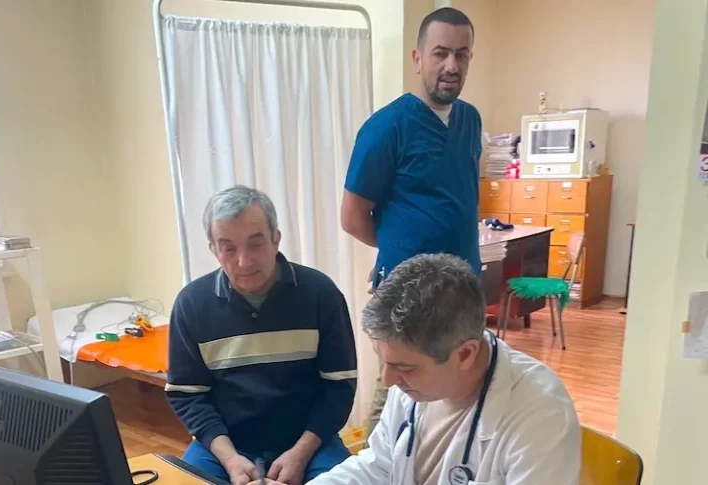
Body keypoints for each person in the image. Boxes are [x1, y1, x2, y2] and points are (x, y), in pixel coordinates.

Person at [250, 254, 581, 485]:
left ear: (465, 354)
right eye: (383, 361)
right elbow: (379, 466)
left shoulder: (540, 416)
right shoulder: (416, 385)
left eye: (403, 367)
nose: (388, 379)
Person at [339, 7, 483, 436]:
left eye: (461, 54)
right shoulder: (387, 128)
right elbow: (352, 217)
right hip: (408, 300)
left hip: (464, 291)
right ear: (417, 58)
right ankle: (376, 465)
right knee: (397, 396)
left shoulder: (470, 120)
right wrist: (397, 252)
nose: (451, 65)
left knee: (461, 394)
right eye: (440, 53)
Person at [166, 185, 358, 485]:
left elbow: (339, 386)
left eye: (255, 244)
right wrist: (230, 459)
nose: (244, 261)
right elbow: (187, 395)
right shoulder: (191, 304)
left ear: (276, 239)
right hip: (226, 445)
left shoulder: (321, 294)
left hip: (308, 442)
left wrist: (300, 454)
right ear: (213, 249)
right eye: (228, 248)